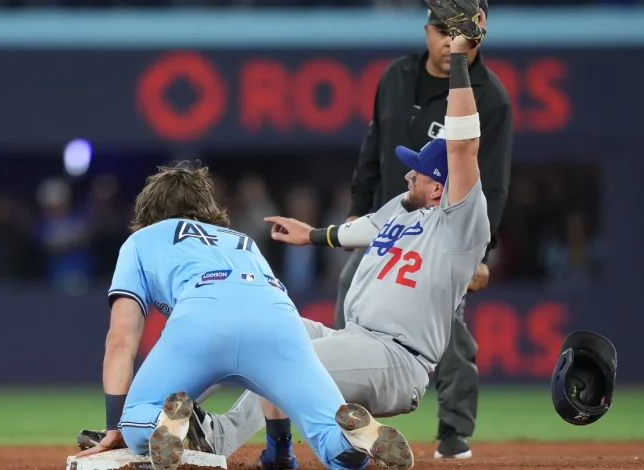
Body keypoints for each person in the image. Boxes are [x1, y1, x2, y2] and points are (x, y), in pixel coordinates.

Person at [192, 28, 490, 469]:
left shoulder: (457, 224)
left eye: (419, 173)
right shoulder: (404, 210)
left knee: (286, 358)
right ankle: (287, 447)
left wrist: (461, 62)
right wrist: (312, 234)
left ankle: (218, 438)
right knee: (260, 328)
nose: (408, 175)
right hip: (353, 339)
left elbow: (464, 146)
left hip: (397, 358)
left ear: (441, 189)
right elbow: (363, 229)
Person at [74, 163, 414, 470]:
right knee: (329, 433)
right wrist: (279, 451)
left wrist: (114, 427)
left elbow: (120, 340)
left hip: (202, 317)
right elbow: (257, 327)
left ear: (147, 209)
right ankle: (353, 440)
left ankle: (165, 423)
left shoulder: (141, 240)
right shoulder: (242, 242)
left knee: (137, 422)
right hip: (279, 318)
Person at [338, 1, 512, 459]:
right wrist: (359, 209)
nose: (443, 39)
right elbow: (373, 146)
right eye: (438, 29)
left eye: (451, 32)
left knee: (443, 326)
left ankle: (454, 430)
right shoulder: (396, 76)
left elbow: (489, 178)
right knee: (348, 295)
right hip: (387, 226)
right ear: (427, 31)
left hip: (442, 233)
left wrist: (479, 251)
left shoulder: (488, 96)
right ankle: (352, 411)